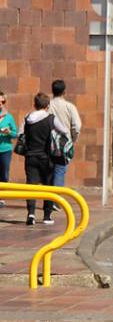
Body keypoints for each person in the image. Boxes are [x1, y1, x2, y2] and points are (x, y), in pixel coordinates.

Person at [21, 93, 67, 226]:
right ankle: (47, 216)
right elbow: (64, 131)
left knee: (31, 186)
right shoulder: (51, 119)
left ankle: (31, 214)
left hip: (30, 157)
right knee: (48, 186)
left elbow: (21, 133)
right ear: (47, 106)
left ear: (35, 105)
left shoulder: (27, 118)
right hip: (46, 158)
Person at [48, 80, 81, 200]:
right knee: (60, 170)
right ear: (64, 92)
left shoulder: (47, 106)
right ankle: (56, 200)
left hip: (49, 142)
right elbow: (77, 126)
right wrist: (73, 139)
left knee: (50, 171)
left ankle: (49, 199)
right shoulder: (69, 107)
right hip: (64, 143)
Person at [0, 92, 18, 208]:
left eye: (3, 101)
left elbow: (15, 134)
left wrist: (9, 132)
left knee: (4, 173)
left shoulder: (9, 117)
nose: (0, 104)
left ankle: (2, 197)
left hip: (5, 149)